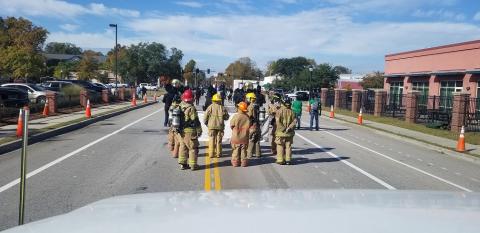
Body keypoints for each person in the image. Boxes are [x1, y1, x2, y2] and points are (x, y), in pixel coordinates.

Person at [178, 89, 202, 170]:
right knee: (193, 148)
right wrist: (199, 130)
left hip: (181, 131)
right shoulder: (191, 108)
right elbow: (195, 121)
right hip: (190, 132)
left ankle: (183, 164)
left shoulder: (180, 105)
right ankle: (193, 165)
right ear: (192, 99)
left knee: (183, 147)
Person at [204, 94, 230, 158]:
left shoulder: (210, 107)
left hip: (211, 126)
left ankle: (211, 154)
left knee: (211, 140)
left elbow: (205, 117)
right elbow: (226, 117)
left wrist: (206, 123)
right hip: (220, 127)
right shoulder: (222, 108)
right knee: (219, 141)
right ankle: (219, 154)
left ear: (213, 100)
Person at [275, 97, 296, 165]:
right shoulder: (292, 111)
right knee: (288, 146)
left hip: (281, 132)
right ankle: (288, 160)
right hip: (289, 133)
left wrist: (284, 129)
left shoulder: (279, 111)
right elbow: (294, 121)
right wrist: (289, 128)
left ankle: (280, 160)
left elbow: (278, 122)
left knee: (280, 145)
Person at [230, 102, 250, 167]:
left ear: (239, 108)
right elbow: (249, 126)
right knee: (243, 150)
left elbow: (231, 125)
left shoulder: (236, 116)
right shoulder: (247, 117)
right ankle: (243, 162)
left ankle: (235, 163)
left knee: (236, 150)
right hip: (244, 137)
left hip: (236, 136)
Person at [246, 92, 261, 158]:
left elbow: (249, 116)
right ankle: (258, 154)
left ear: (250, 99)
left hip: (252, 125)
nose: (246, 99)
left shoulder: (250, 107)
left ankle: (249, 154)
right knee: (257, 140)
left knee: (251, 140)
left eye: (247, 98)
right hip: (257, 125)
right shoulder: (257, 105)